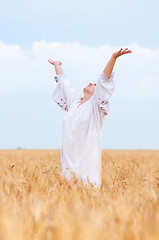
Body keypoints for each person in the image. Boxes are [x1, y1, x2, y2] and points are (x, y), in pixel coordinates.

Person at [48, 48, 132, 188]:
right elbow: (64, 84)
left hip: (87, 163)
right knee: (68, 197)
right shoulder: (74, 104)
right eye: (92, 83)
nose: (92, 83)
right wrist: (57, 64)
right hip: (69, 162)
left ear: (98, 94)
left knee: (88, 194)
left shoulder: (95, 108)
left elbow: (103, 80)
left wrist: (113, 58)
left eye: (95, 85)